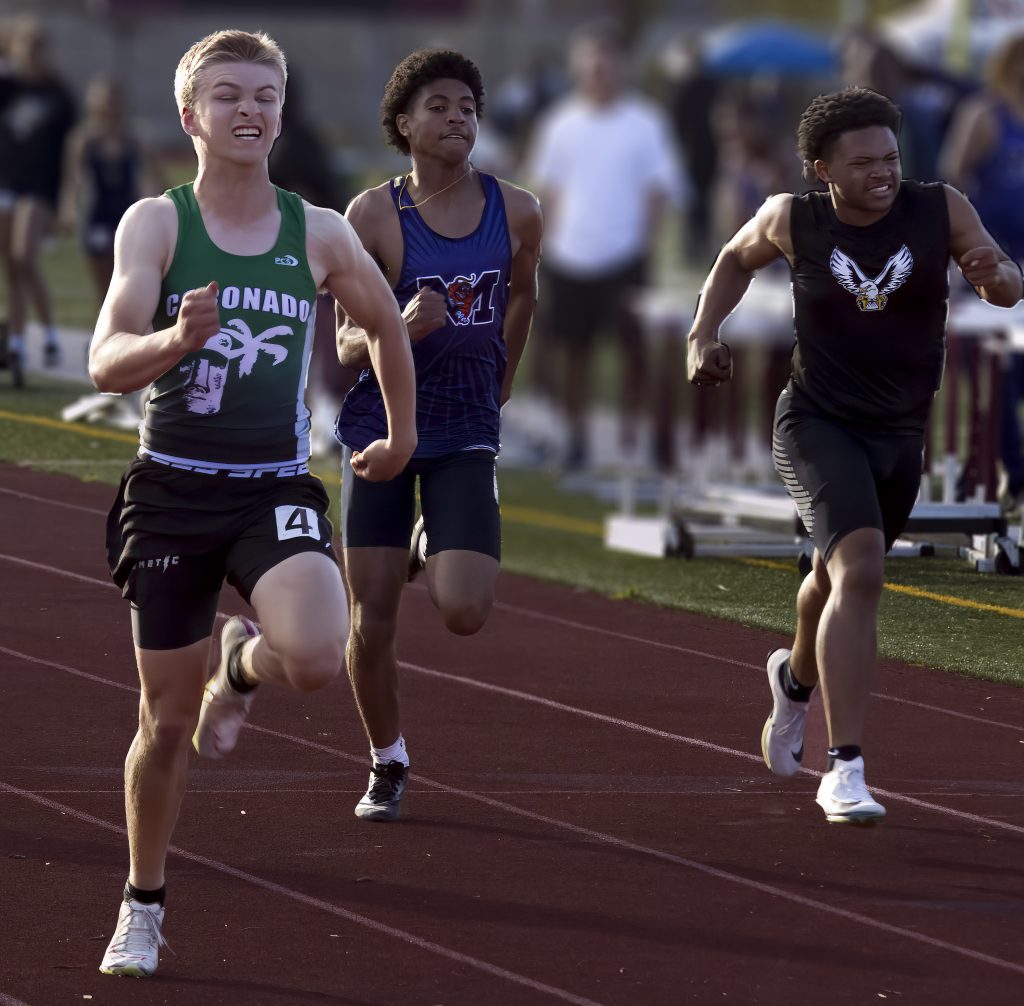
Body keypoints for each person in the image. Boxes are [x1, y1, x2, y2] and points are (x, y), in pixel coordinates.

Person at [91, 30, 417, 977]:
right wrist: (172, 343)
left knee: (315, 655)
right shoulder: (157, 224)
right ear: (191, 116)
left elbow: (385, 324)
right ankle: (142, 903)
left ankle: (241, 668)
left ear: (281, 113)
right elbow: (106, 359)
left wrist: (400, 435)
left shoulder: (317, 230)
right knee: (163, 722)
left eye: (265, 95)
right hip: (171, 489)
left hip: (272, 485)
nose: (249, 109)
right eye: (228, 94)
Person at [687, 87, 1021, 824]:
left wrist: (998, 278)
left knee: (832, 576)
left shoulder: (940, 208)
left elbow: (1003, 279)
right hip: (816, 422)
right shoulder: (793, 217)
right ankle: (845, 770)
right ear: (823, 170)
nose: (883, 173)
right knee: (862, 567)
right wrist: (702, 333)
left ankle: (794, 683)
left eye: (891, 158)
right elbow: (734, 259)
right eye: (864, 162)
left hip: (900, 432)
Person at [335, 48, 542, 822]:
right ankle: (387, 759)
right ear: (404, 123)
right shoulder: (371, 217)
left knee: (464, 609)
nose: (458, 118)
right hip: (382, 427)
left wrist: (504, 379)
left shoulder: (516, 210)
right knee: (372, 615)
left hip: (464, 428)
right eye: (440, 107)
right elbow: (344, 344)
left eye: (468, 107)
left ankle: (430, 542)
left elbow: (523, 294)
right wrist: (396, 325)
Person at [524, 18, 682, 470]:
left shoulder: (646, 122)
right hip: (568, 255)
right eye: (591, 63)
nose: (599, 71)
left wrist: (645, 243)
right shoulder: (560, 124)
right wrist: (541, 250)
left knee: (637, 354)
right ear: (578, 67)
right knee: (572, 353)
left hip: (625, 256)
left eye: (606, 62)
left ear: (620, 66)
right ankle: (576, 438)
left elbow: (660, 190)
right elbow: (547, 192)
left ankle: (644, 438)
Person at [939, 34, 1024, 515]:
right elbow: (953, 182)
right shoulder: (985, 115)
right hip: (988, 262)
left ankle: (981, 468)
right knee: (993, 372)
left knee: (1010, 378)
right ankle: (1014, 474)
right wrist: (960, 252)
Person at [0, 18, 75, 375]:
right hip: (6, 184)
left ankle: (48, 333)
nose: (31, 52)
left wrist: (66, 203)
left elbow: (70, 154)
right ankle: (17, 342)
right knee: (13, 266)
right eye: (24, 45)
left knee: (24, 256)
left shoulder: (58, 94)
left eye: (37, 46)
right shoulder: (7, 87)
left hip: (40, 189)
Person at [58, 76, 163, 306]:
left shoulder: (135, 138)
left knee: (128, 276)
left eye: (114, 101)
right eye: (104, 101)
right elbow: (73, 180)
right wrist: (68, 209)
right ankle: (104, 323)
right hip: (97, 214)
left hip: (127, 212)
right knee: (103, 280)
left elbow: (154, 175)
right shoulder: (83, 140)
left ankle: (129, 322)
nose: (109, 107)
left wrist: (155, 200)